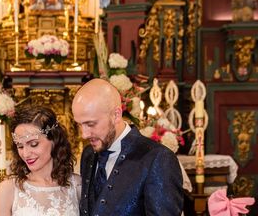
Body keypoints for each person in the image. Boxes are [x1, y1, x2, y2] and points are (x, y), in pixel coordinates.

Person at [72, 79, 184, 216]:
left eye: (90, 124)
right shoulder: (88, 154)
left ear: (116, 115)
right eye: (79, 124)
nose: (84, 134)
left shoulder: (158, 158)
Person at [0, 106, 81, 216]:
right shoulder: (7, 189)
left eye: (33, 144)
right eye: (20, 146)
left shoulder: (77, 185)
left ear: (54, 140)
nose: (25, 154)